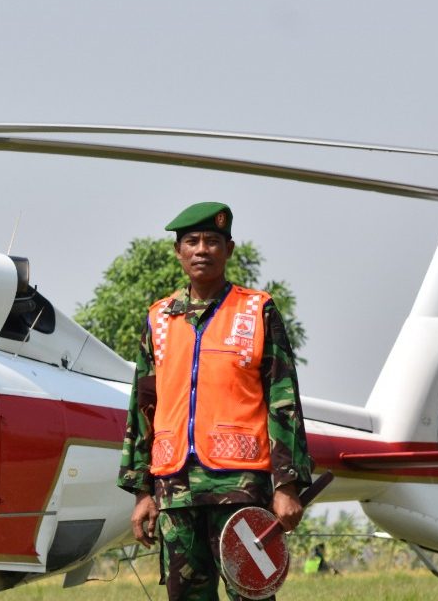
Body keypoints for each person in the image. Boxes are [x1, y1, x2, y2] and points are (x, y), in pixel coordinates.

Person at [117, 201, 313, 601]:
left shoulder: (257, 310)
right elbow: (143, 407)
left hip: (240, 487)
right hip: (176, 490)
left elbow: (283, 401)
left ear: (229, 249)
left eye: (212, 241)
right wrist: (141, 492)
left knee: (252, 594)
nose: (201, 249)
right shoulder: (158, 319)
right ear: (178, 252)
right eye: (191, 241)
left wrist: (287, 483)